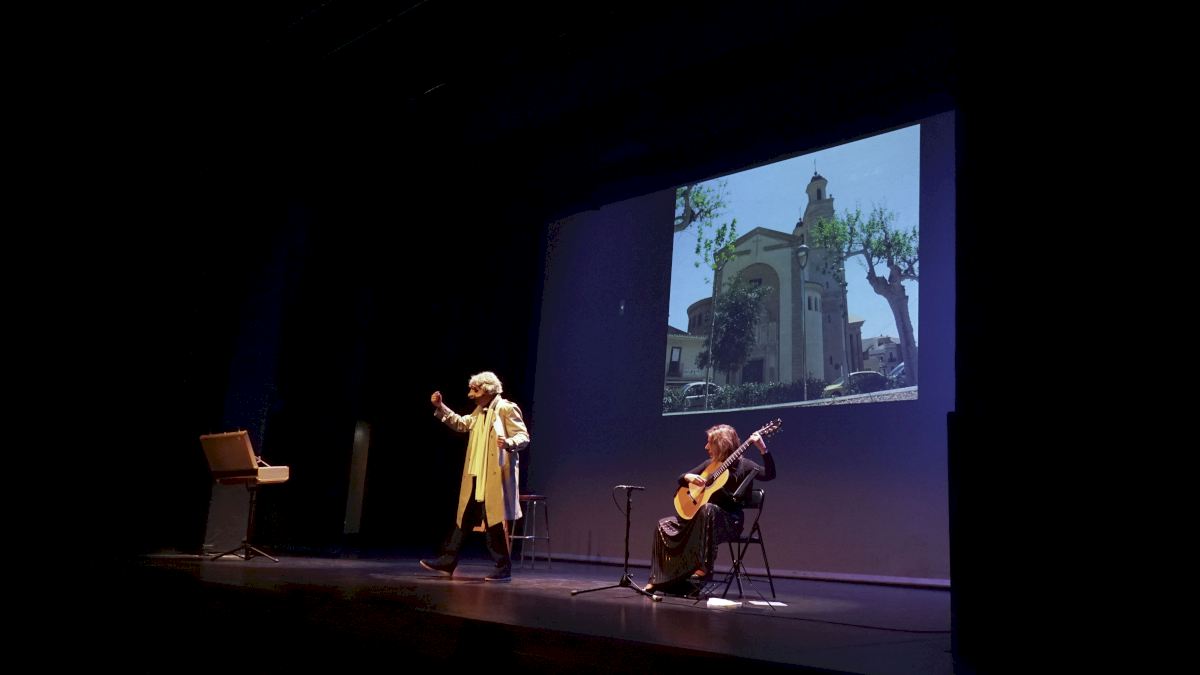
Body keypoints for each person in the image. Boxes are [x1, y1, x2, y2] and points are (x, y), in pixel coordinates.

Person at [420, 371, 529, 582]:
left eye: (475, 390)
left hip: (493, 475)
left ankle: (503, 566)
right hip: (476, 474)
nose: (471, 394)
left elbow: (523, 436)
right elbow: (462, 423)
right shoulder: (479, 411)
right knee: (465, 518)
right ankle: (449, 560)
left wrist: (509, 443)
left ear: (488, 390)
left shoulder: (506, 408)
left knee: (493, 521)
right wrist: (441, 407)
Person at [645, 423, 775, 594]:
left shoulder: (745, 465)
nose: (706, 447)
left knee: (708, 509)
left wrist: (763, 449)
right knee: (663, 524)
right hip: (700, 521)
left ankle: (704, 568)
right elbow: (681, 479)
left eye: (710, 443)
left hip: (729, 521)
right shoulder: (710, 465)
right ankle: (660, 579)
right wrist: (688, 477)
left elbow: (770, 474)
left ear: (722, 444)